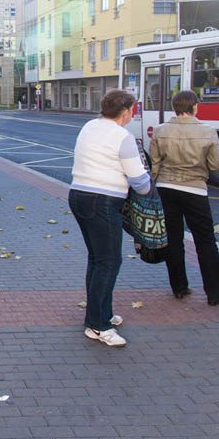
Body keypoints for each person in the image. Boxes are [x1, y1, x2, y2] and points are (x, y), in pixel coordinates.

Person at [70, 89, 151, 347]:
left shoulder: (90, 126)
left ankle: (100, 314)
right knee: (108, 262)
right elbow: (139, 181)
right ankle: (98, 326)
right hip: (103, 202)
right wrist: (150, 184)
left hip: (79, 195)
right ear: (126, 111)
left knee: (97, 259)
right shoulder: (122, 136)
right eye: (133, 110)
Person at [150, 90, 219, 306]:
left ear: (174, 107)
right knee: (205, 241)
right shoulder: (208, 131)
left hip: (166, 188)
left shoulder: (160, 131)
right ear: (194, 107)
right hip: (195, 190)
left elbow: (154, 164)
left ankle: (179, 287)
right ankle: (215, 293)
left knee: (173, 238)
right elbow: (217, 164)